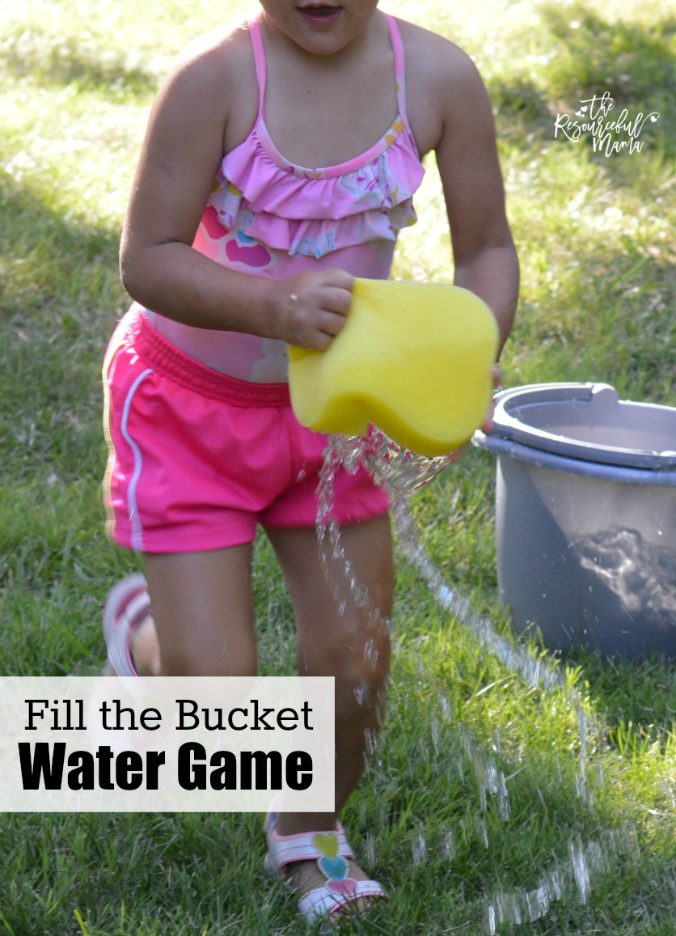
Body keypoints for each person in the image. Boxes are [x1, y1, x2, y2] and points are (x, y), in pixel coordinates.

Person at [101, 0, 519, 926]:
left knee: (356, 650)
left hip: (338, 414)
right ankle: (148, 646)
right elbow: (148, 257)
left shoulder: (439, 79)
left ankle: (310, 827)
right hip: (190, 413)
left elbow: (485, 245)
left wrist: (471, 343)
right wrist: (270, 304)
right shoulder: (214, 83)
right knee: (214, 706)